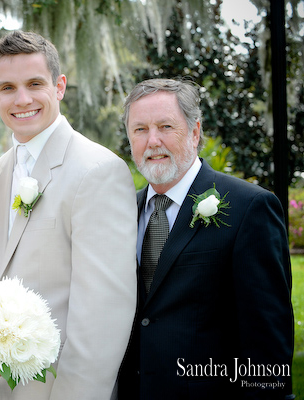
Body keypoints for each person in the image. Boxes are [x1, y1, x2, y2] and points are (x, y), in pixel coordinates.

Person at [0, 30, 138, 400]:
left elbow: (103, 317)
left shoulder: (98, 171)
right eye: (7, 88)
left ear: (59, 86)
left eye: (35, 83)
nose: (22, 99)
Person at [117, 78, 294, 399]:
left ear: (195, 131)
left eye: (166, 126)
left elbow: (267, 338)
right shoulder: (121, 212)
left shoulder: (249, 207)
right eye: (140, 129)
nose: (152, 140)